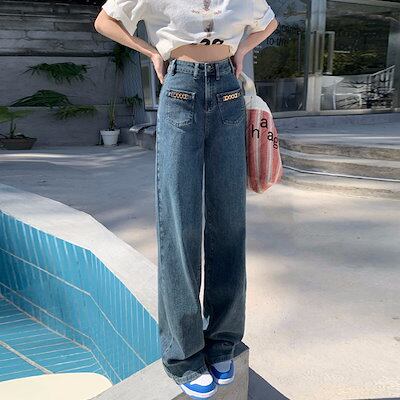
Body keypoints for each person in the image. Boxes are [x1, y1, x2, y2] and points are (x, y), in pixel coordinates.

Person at [94, 1, 278, 398]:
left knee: (229, 222)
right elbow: (105, 21)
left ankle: (223, 340)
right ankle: (184, 356)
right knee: (180, 223)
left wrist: (241, 51)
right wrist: (150, 52)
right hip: (180, 87)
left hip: (229, 90)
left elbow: (269, 22)